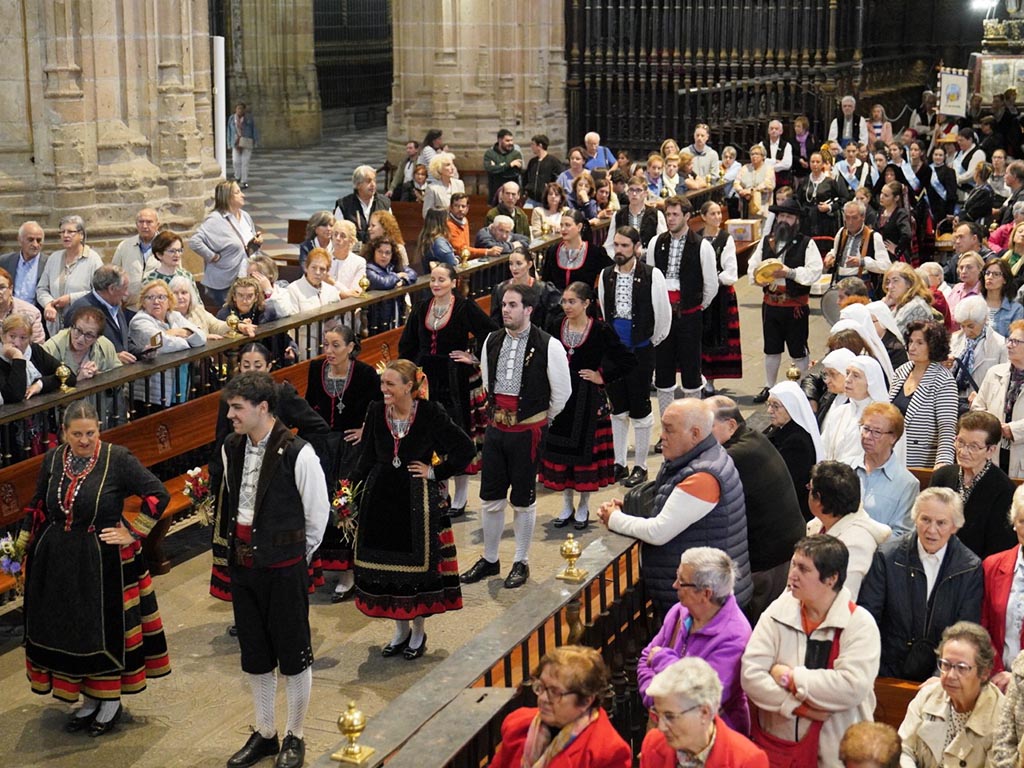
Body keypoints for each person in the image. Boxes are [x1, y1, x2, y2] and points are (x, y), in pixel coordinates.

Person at [20, 400, 171, 737]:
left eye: (90, 433)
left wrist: (132, 532)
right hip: (58, 559)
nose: (84, 440)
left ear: (99, 430)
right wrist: (22, 543)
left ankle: (110, 702)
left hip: (102, 562)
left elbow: (158, 494)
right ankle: (87, 700)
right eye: (77, 434)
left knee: (100, 631)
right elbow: (37, 503)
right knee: (70, 629)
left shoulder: (117, 459)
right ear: (64, 433)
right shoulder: (53, 459)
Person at [218, 372, 329, 768]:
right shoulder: (231, 447)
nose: (230, 414)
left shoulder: (298, 452)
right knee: (255, 652)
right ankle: (266, 732)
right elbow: (235, 501)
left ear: (262, 408)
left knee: (293, 653)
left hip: (284, 567)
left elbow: (318, 513)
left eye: (237, 408)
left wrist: (296, 556)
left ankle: (295, 735)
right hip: (245, 565)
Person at [350, 359, 474, 660]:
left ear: (410, 387)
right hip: (380, 498)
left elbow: (465, 448)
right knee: (390, 571)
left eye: (390, 384)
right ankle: (400, 630)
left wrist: (436, 472)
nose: (384, 390)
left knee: (415, 573)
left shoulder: (431, 413)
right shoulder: (376, 410)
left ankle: (417, 631)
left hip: (417, 501)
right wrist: (349, 491)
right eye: (383, 383)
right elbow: (366, 454)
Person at [597, 399, 751, 621]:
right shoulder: (704, 457)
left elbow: (659, 532)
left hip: (706, 602)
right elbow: (674, 506)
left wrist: (614, 518)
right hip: (703, 595)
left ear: (695, 434)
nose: (661, 437)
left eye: (669, 430)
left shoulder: (703, 475)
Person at [461, 283, 571, 590]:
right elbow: (486, 378)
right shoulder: (492, 341)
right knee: (490, 499)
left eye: (512, 305)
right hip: (496, 430)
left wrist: (541, 418)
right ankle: (490, 558)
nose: (505, 310)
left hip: (528, 432)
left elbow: (562, 393)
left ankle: (520, 560)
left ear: (528, 310)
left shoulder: (548, 345)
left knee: (523, 500)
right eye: (503, 305)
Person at [207, 344, 330, 613]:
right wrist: (215, 482)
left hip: (277, 499)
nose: (251, 370)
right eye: (246, 365)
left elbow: (318, 425)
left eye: (258, 365)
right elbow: (220, 439)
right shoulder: (231, 407)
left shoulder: (282, 400)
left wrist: (288, 447)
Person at [741, 535, 881, 768]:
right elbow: (751, 676)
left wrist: (789, 676)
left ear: (831, 579)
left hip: (837, 755)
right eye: (793, 564)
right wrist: (796, 706)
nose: (792, 574)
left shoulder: (859, 623)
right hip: (778, 749)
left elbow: (851, 686)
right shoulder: (778, 610)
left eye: (804, 569)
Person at [399, 263, 497, 517]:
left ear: (453, 282)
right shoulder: (421, 308)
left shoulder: (464, 307)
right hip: (426, 381)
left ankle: (461, 497)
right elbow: (407, 344)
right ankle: (440, 494)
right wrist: (408, 372)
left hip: (455, 381)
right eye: (433, 279)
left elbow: (492, 333)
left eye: (442, 279)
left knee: (457, 434)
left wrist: (473, 356)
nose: (436, 284)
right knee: (431, 437)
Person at [860, 487, 983, 681]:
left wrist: (940, 676)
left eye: (941, 523)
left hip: (942, 678)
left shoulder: (970, 567)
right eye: (925, 520)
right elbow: (868, 617)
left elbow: (965, 632)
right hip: (886, 671)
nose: (931, 530)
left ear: (955, 526)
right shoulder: (887, 556)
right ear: (915, 519)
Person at [540, 282, 635, 528]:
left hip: (588, 400)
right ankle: (566, 503)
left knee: (585, 455)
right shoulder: (554, 325)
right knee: (562, 454)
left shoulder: (600, 330)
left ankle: (583, 504)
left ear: (586, 303)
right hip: (561, 397)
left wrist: (601, 375)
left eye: (572, 301)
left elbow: (627, 359)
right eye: (564, 301)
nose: (567, 306)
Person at [708, 396, 805, 622]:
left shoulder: (735, 455)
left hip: (770, 563)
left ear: (730, 425)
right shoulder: (751, 438)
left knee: (761, 628)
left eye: (707, 426)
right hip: (782, 550)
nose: (701, 434)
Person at [637, 548, 753, 733]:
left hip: (711, 739)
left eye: (682, 581)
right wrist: (656, 700)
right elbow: (645, 658)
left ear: (705, 594)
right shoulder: (679, 611)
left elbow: (701, 700)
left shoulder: (735, 637)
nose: (675, 585)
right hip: (667, 727)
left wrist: (662, 659)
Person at [303, 324, 380, 601]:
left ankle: (348, 571)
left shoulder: (365, 374)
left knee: (345, 503)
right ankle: (323, 565)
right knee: (319, 503)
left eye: (336, 345)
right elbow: (310, 403)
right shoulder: (316, 370)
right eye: (326, 345)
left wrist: (364, 429)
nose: (329, 351)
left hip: (351, 449)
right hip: (322, 447)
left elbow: (379, 407)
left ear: (350, 347)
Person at [597, 226, 671, 487]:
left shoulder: (652, 275)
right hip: (615, 352)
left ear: (637, 247)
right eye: (616, 245)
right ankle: (619, 463)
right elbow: (606, 313)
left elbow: (663, 315)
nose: (619, 250)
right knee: (618, 409)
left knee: (640, 409)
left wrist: (650, 342)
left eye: (624, 246)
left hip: (640, 349)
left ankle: (640, 465)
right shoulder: (606, 275)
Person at [489, 646, 631, 768]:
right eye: (541, 687)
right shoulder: (517, 725)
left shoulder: (606, 752)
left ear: (586, 701)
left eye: (555, 692)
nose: (543, 698)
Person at [747, 197, 824, 402]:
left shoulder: (807, 243)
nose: (784, 219)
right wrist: (759, 279)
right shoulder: (766, 242)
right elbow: (752, 267)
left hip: (795, 306)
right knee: (771, 348)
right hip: (771, 305)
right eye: (781, 215)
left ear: (796, 220)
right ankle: (769, 387)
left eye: (789, 216)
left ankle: (802, 387)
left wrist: (789, 273)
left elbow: (815, 270)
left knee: (798, 349)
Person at [897, 621, 1003, 768]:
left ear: (984, 673)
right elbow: (903, 749)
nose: (951, 675)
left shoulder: (1001, 717)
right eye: (946, 665)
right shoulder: (927, 696)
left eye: (961, 668)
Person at [648, 195, 719, 409]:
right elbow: (652, 280)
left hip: (689, 316)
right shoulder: (656, 242)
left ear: (687, 216)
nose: (670, 219)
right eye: (668, 214)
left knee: (691, 372)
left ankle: (692, 424)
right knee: (663, 373)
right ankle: (667, 427)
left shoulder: (701, 246)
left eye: (675, 214)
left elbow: (711, 285)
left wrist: (695, 305)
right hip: (663, 317)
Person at [641, 657, 768, 768]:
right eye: (657, 714)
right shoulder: (653, 743)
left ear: (704, 713)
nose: (661, 727)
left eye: (670, 716)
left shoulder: (747, 760)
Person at [931, 411, 1017, 559]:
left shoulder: (1004, 490)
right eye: (960, 442)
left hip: (977, 570)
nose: (963, 451)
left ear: (991, 450)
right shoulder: (942, 476)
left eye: (973, 446)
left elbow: (999, 550)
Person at [805, 461, 891, 600]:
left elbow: (842, 602)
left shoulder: (856, 544)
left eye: (810, 488)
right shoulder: (817, 524)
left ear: (818, 500)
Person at [888, 319, 958, 468]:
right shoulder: (901, 371)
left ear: (933, 346)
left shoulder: (943, 379)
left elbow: (947, 428)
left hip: (922, 461)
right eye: (911, 341)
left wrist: (942, 463)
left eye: (920, 343)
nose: (912, 347)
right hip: (893, 455)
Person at [127, 280, 206, 409]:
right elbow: (163, 344)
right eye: (150, 297)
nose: (156, 301)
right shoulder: (139, 321)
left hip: (179, 383)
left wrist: (178, 332)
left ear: (169, 301)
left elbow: (201, 337)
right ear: (143, 302)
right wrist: (186, 338)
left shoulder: (174, 315)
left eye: (161, 297)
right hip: (153, 392)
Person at [189, 180, 263, 308]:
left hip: (245, 277)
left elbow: (248, 239)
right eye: (237, 192)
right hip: (225, 281)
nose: (243, 195)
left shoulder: (245, 216)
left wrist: (257, 240)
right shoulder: (215, 219)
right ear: (227, 197)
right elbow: (195, 242)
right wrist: (212, 256)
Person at [855, 402, 919, 537]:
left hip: (879, 554)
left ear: (893, 437)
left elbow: (903, 534)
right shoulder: (846, 468)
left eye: (876, 432)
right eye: (866, 429)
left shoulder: (906, 483)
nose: (867, 437)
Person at [764, 380, 824, 521]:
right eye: (769, 404)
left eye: (775, 406)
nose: (769, 411)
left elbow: (786, 484)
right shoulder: (782, 428)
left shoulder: (797, 442)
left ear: (791, 408)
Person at [971, 319, 1024, 479]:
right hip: (994, 452)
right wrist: (993, 424)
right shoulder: (995, 372)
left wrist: (1013, 429)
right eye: (1009, 340)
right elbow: (977, 407)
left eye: (1016, 342)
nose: (1009, 345)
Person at [699, 201, 743, 390]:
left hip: (721, 295)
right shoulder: (695, 237)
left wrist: (711, 279)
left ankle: (711, 381)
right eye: (713, 214)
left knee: (717, 336)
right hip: (699, 294)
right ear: (703, 217)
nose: (718, 217)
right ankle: (700, 378)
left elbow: (731, 271)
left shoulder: (726, 239)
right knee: (698, 336)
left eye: (719, 213)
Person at [37, 215, 104, 338]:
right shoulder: (54, 258)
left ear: (81, 235)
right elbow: (42, 288)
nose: (65, 235)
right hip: (55, 326)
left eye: (70, 232)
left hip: (82, 325)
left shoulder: (93, 260)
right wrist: (49, 304)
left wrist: (70, 298)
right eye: (62, 232)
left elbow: (99, 292)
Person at [981, 485, 1024, 676]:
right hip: (996, 679)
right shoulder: (992, 565)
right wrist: (997, 671)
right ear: (1014, 523)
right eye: (1023, 521)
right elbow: (982, 627)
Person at [821, 356, 889, 464]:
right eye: (847, 373)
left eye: (856, 375)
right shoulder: (840, 412)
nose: (847, 380)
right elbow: (823, 450)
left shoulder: (885, 419)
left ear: (870, 382)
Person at [64, 264, 136, 364]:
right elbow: (72, 350)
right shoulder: (81, 310)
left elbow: (123, 342)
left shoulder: (115, 304)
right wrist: (112, 358)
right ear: (112, 289)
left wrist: (142, 352)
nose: (127, 293)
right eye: (125, 288)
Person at [0, 313, 76, 404]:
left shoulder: (34, 350)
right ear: (3, 336)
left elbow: (69, 376)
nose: (17, 343)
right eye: (12, 336)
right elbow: (14, 396)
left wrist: (40, 384)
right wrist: (18, 358)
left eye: (23, 338)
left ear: (29, 339)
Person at [950, 296, 1007, 409]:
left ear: (984, 319)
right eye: (962, 326)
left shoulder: (1000, 344)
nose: (966, 331)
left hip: (982, 406)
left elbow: (1004, 382)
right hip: (953, 403)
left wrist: (982, 397)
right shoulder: (954, 339)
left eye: (971, 326)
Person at [42, 306, 121, 383]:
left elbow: (120, 379)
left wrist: (99, 378)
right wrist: (77, 381)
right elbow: (42, 388)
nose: (80, 339)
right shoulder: (50, 348)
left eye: (89, 335)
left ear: (97, 338)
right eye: (78, 330)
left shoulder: (105, 346)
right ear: (71, 326)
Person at [489, 249, 562, 331]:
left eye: (519, 264)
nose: (514, 268)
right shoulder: (500, 289)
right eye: (511, 264)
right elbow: (495, 322)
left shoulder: (542, 289)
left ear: (529, 264)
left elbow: (552, 318)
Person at [541, 209, 610, 293]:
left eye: (567, 225)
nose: (563, 229)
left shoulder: (594, 252)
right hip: (557, 302)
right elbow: (545, 281)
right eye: (561, 225)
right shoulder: (552, 251)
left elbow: (610, 272)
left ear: (579, 227)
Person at [363, 236, 418, 331]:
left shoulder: (393, 266)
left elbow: (413, 274)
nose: (383, 255)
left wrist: (403, 281)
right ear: (374, 252)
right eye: (380, 251)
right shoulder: (368, 269)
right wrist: (397, 276)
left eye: (387, 253)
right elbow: (383, 283)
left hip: (394, 314)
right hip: (375, 318)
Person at [111, 208, 160, 310]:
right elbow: (113, 274)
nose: (144, 226)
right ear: (136, 224)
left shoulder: (166, 245)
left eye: (149, 222)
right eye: (141, 222)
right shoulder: (125, 246)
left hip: (157, 307)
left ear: (157, 224)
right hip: (129, 308)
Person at [334, 165, 391, 243]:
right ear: (358, 185)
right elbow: (337, 233)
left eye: (374, 180)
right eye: (368, 181)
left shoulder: (384, 203)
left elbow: (391, 230)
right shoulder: (344, 205)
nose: (373, 184)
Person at [0, 221, 49, 312]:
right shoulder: (4, 261)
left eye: (39, 240)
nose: (35, 244)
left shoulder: (49, 263)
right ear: (19, 240)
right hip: (8, 315)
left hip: (37, 316)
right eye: (30, 240)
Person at [142, 229, 201, 305]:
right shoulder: (150, 281)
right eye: (172, 251)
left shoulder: (186, 275)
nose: (177, 254)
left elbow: (197, 303)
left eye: (179, 250)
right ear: (159, 254)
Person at [881, 262, 936, 337]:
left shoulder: (916, 306)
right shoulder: (901, 305)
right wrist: (884, 305)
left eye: (895, 280)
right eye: (888, 282)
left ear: (909, 283)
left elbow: (891, 337)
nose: (890, 286)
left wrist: (882, 307)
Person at [286, 248, 343, 313]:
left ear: (327, 272)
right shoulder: (293, 290)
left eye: (322, 269)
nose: (317, 272)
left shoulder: (332, 291)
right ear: (306, 268)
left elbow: (338, 317)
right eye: (314, 267)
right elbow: (293, 320)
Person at [983, 258, 1023, 338]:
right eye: (987, 273)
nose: (990, 277)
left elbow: (1015, 340)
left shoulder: (1016, 310)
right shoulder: (974, 303)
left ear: (1005, 280)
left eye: (996, 274)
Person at [328, 219, 367, 296]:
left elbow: (355, 293)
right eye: (335, 234)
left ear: (351, 241)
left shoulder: (359, 262)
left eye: (343, 236)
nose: (338, 238)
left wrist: (332, 282)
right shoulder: (323, 258)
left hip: (348, 306)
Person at [735, 144, 775, 218]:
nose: (754, 156)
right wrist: (742, 191)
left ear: (763, 156)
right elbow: (736, 183)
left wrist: (752, 191)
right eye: (752, 154)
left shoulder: (769, 169)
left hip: (762, 208)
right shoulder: (744, 168)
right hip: (745, 206)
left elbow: (768, 185)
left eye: (756, 154)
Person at [522, 134, 563, 207]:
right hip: (531, 199)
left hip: (545, 200)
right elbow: (526, 177)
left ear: (540, 145)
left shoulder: (553, 161)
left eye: (533, 144)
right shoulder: (532, 161)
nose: (531, 147)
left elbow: (559, 177)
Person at [421, 153, 465, 218]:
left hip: (458, 224)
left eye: (453, 164)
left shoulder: (459, 184)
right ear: (439, 169)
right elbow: (426, 213)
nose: (452, 168)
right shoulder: (432, 189)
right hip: (441, 226)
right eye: (448, 165)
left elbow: (463, 205)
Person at [484, 130, 524, 201]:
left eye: (512, 140)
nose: (511, 143)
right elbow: (490, 169)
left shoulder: (516, 154)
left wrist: (498, 167)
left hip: (512, 194)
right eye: (507, 141)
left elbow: (514, 173)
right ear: (500, 140)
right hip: (495, 193)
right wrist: (509, 165)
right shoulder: (490, 154)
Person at [227, 102, 257, 188]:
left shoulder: (249, 118)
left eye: (241, 108)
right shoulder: (232, 118)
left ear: (244, 109)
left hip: (246, 141)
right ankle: (237, 176)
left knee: (245, 162)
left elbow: (253, 129)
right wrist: (229, 142)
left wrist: (255, 140)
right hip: (235, 141)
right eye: (238, 108)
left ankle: (244, 180)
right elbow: (229, 130)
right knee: (235, 161)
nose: (239, 110)